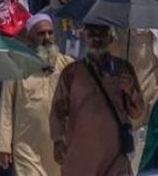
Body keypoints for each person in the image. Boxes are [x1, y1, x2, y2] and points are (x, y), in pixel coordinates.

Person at [49, 23, 145, 176]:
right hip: (80, 156)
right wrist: (58, 140)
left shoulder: (123, 70)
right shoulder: (71, 72)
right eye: (91, 33)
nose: (96, 37)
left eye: (102, 33)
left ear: (111, 38)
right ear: (83, 36)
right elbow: (58, 110)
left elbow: (137, 112)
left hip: (114, 154)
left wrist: (131, 90)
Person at [0, 15, 70, 176]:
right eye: (41, 34)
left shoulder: (68, 66)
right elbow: (6, 107)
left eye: (50, 33)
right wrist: (2, 145)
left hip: (61, 145)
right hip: (27, 148)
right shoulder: (17, 68)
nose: (47, 38)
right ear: (29, 38)